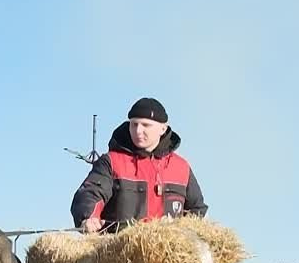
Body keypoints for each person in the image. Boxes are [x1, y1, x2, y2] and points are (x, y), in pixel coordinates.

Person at [69, 97, 207, 234]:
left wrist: (185, 236)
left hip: (168, 247)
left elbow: (197, 210)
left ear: (162, 128)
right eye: (134, 124)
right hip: (120, 245)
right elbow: (90, 194)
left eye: (145, 125)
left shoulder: (181, 167)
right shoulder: (111, 162)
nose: (138, 130)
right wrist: (89, 217)